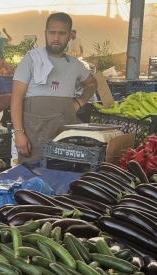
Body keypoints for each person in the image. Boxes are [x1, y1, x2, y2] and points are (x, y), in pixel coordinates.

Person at [10, 12, 97, 163]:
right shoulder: (31, 59)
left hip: (65, 130)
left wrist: (78, 103)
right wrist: (19, 133)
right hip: (34, 132)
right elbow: (16, 99)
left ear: (70, 35)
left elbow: (92, 83)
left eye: (62, 33)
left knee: (64, 169)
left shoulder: (75, 64)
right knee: (33, 175)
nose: (56, 38)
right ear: (45, 33)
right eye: (52, 32)